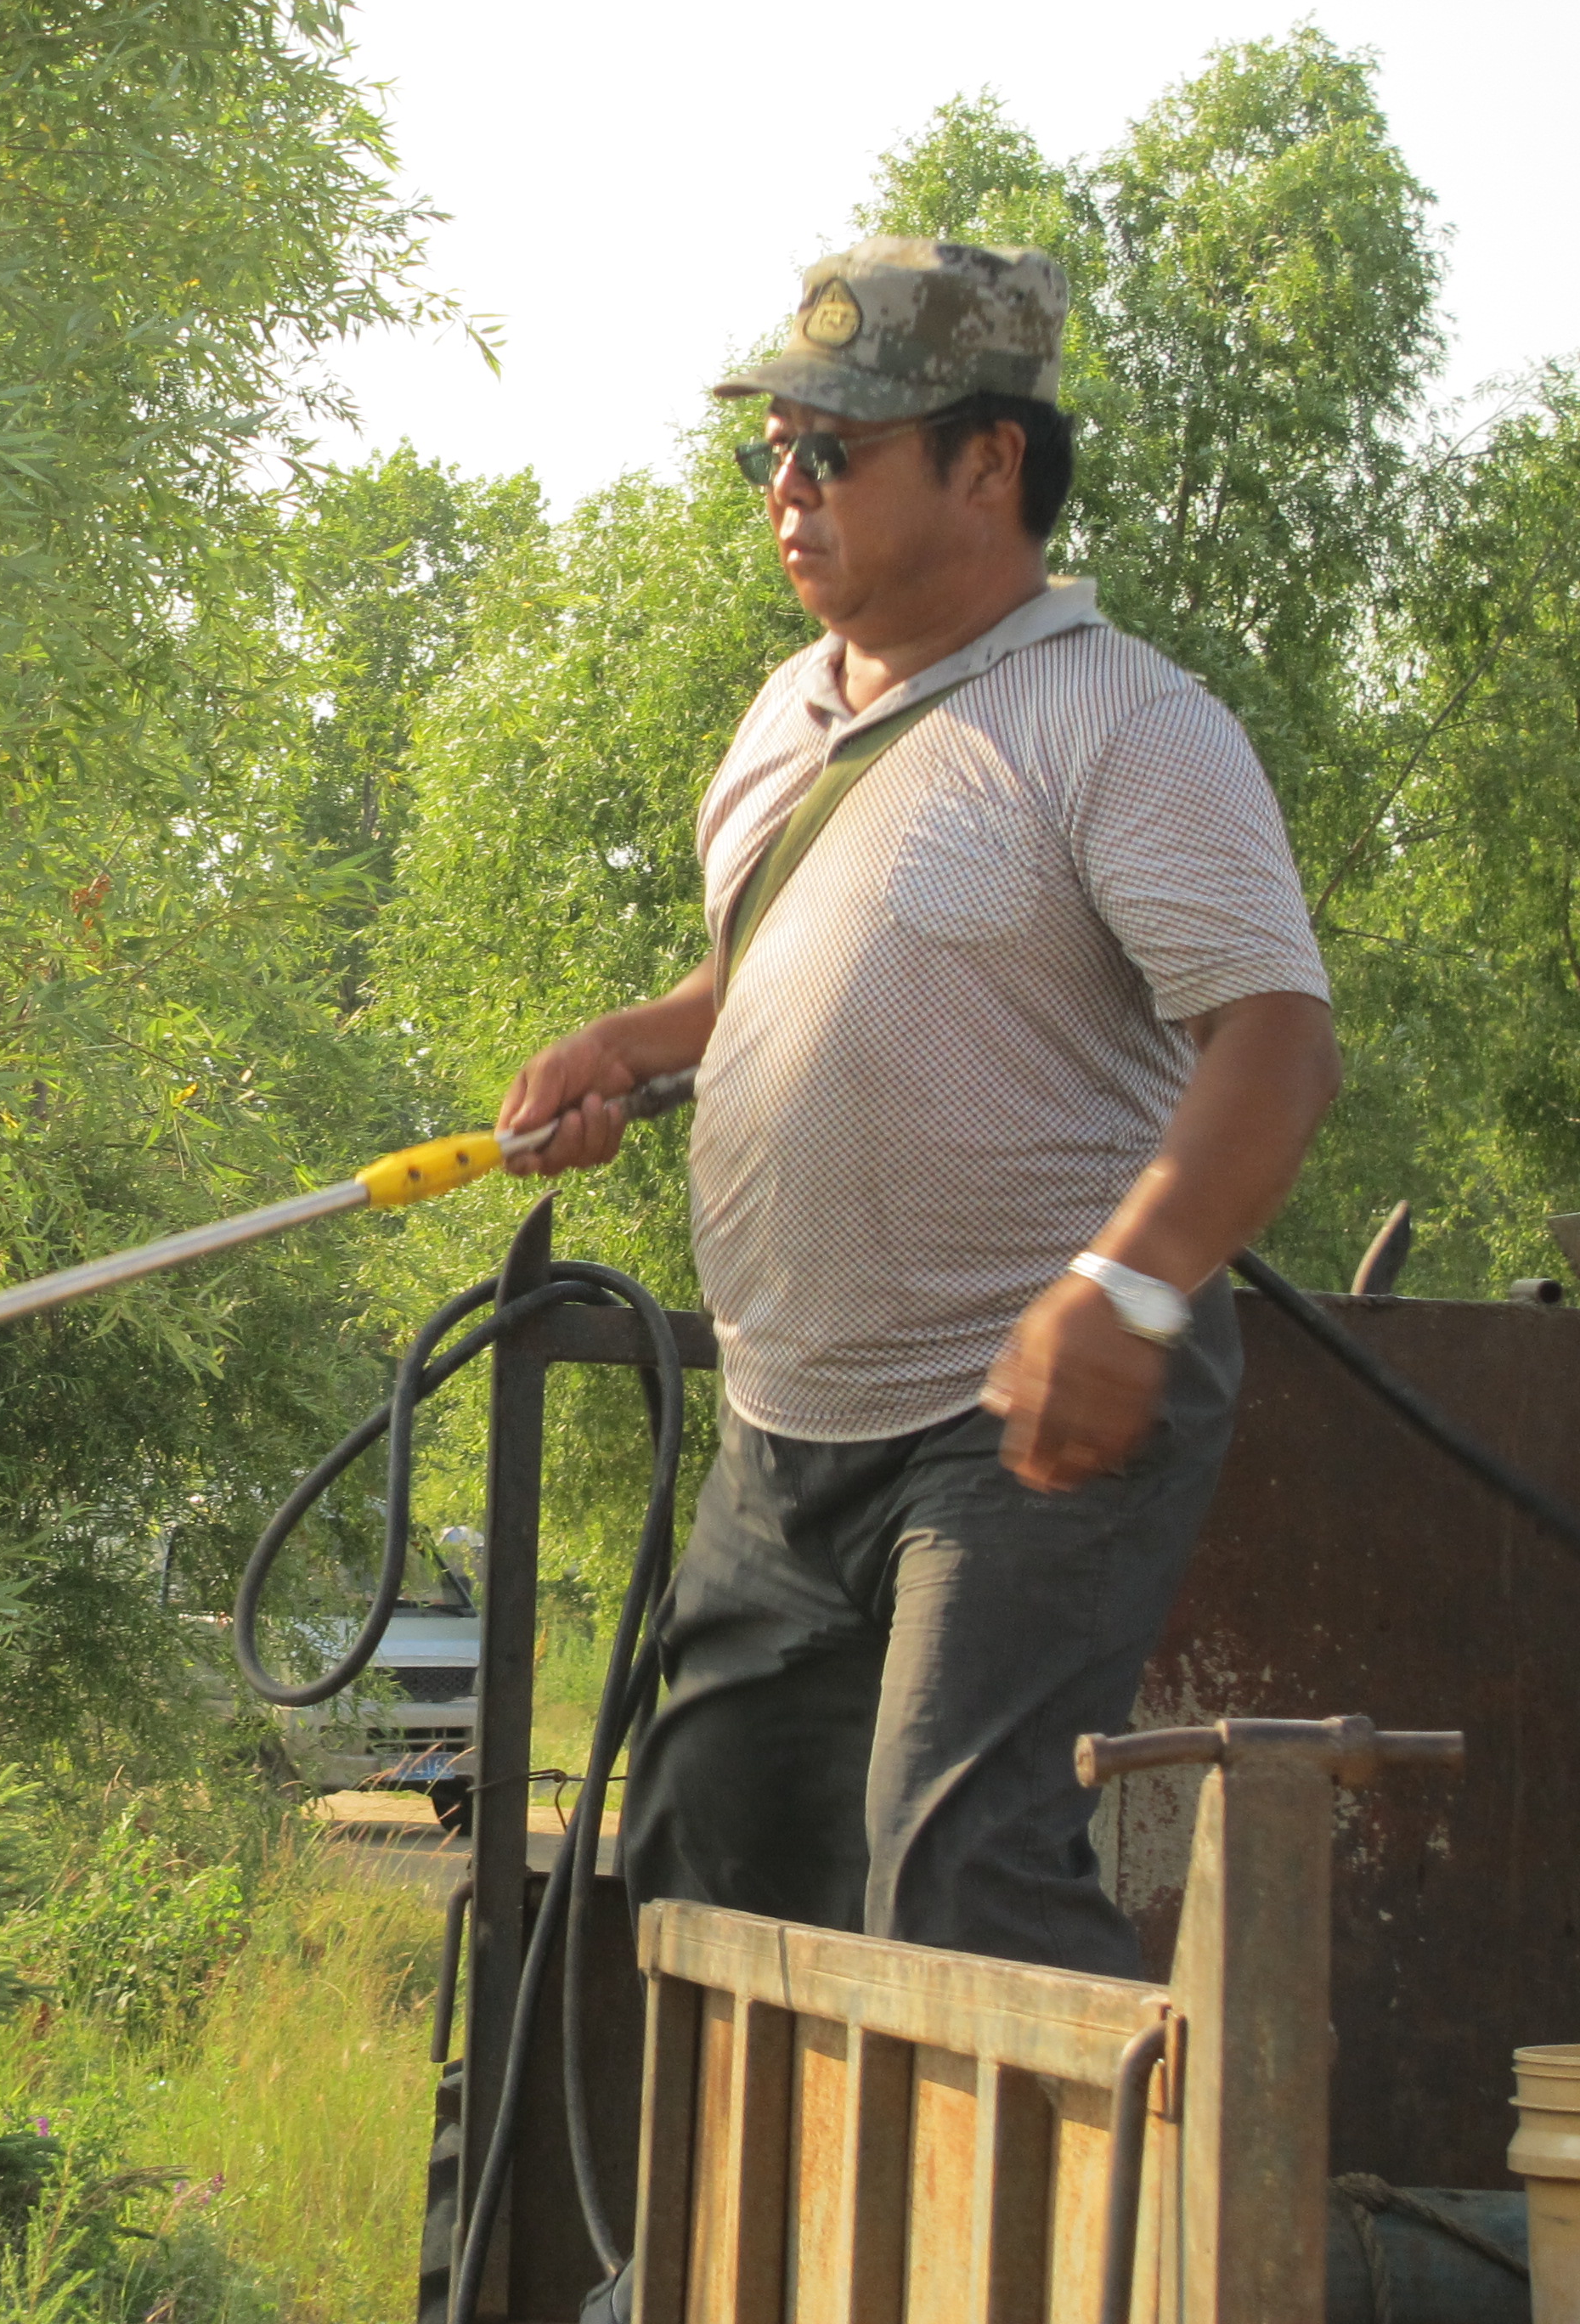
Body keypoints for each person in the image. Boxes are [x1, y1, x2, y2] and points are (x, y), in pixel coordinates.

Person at [497, 237, 1342, 1980]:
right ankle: (728, 2271)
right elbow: (781, 968)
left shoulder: (1125, 724)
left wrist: (1131, 1286)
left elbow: (1275, 1039)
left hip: (1015, 1418)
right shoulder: (786, 719)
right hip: (789, 1417)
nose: (786, 494)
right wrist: (640, 1042)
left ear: (990, 462)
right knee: (707, 1874)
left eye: (835, 451)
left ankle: (1166, 2245)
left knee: (959, 1881)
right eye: (773, 452)